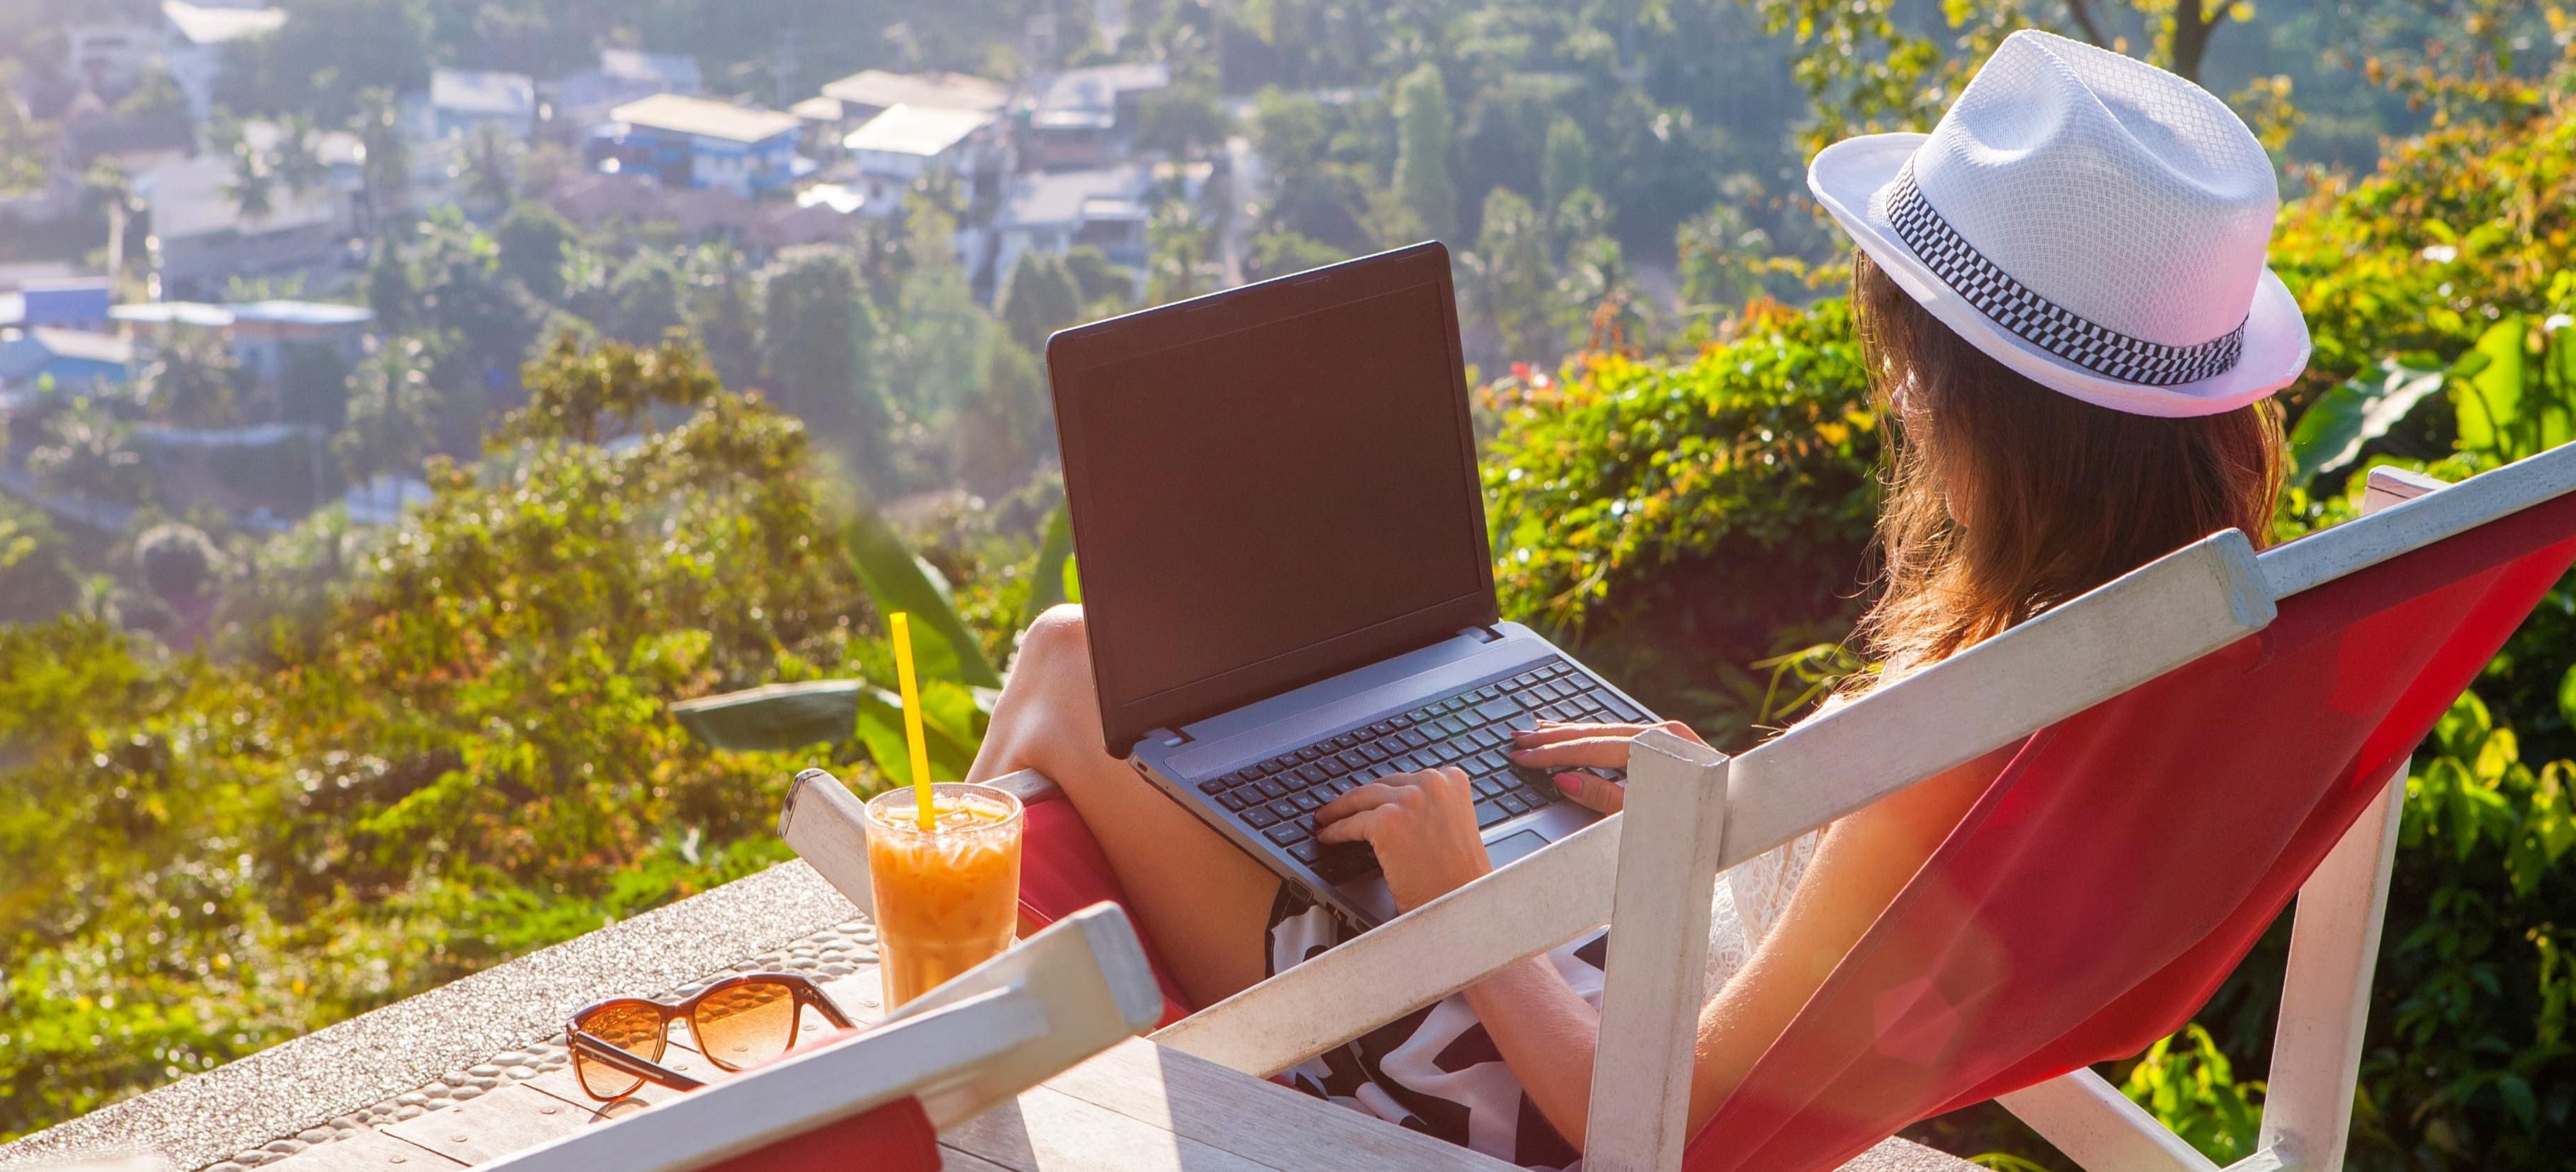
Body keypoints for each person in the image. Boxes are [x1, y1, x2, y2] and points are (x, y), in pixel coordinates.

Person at [964, 29, 2311, 1170]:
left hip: (1499, 1096)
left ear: (2003, 419)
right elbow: (1893, 936)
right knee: (1121, 681)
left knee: (1069, 662)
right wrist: (1735, 811)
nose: (1901, 402)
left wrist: (1457, 905)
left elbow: (1657, 1130)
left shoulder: (1962, 745)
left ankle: (928, 1065)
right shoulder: (2173, 654)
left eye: (1916, 374)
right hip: (1646, 966)